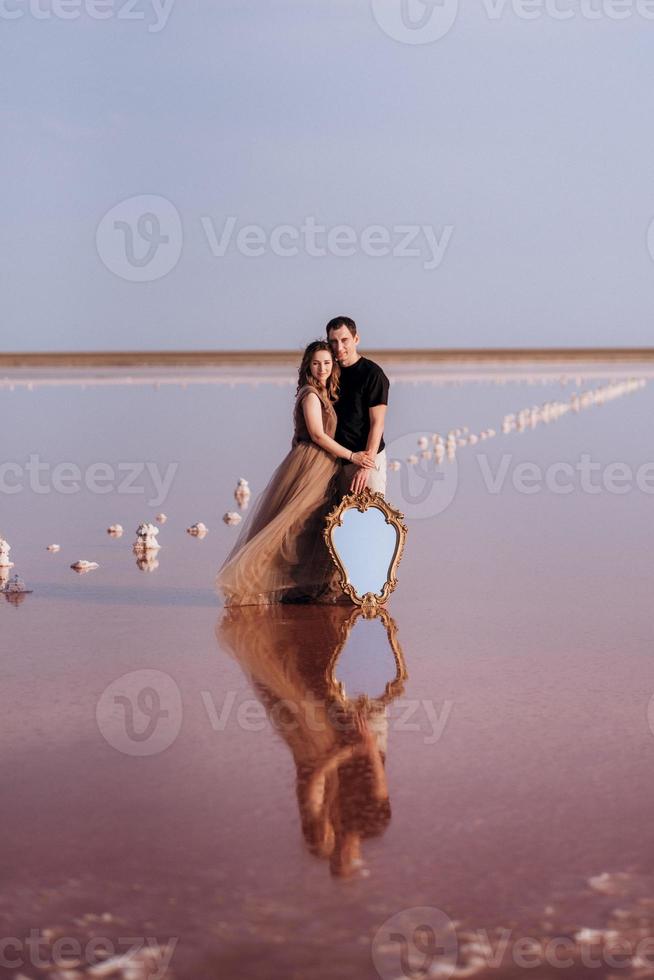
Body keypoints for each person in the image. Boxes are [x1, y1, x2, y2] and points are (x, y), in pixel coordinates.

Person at [215, 340, 376, 606]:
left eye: (326, 362)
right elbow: (316, 434)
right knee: (292, 523)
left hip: (324, 464)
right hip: (311, 464)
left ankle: (305, 586)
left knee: (314, 525)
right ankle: (252, 580)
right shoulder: (310, 394)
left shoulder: (326, 391)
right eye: (316, 363)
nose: (322, 368)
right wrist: (351, 456)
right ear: (307, 366)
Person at [326, 316, 390, 498]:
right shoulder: (330, 373)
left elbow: (377, 424)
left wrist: (365, 466)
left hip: (367, 459)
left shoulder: (373, 374)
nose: (339, 347)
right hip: (337, 461)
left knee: (371, 518)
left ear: (356, 339)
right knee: (336, 523)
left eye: (344, 340)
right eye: (333, 342)